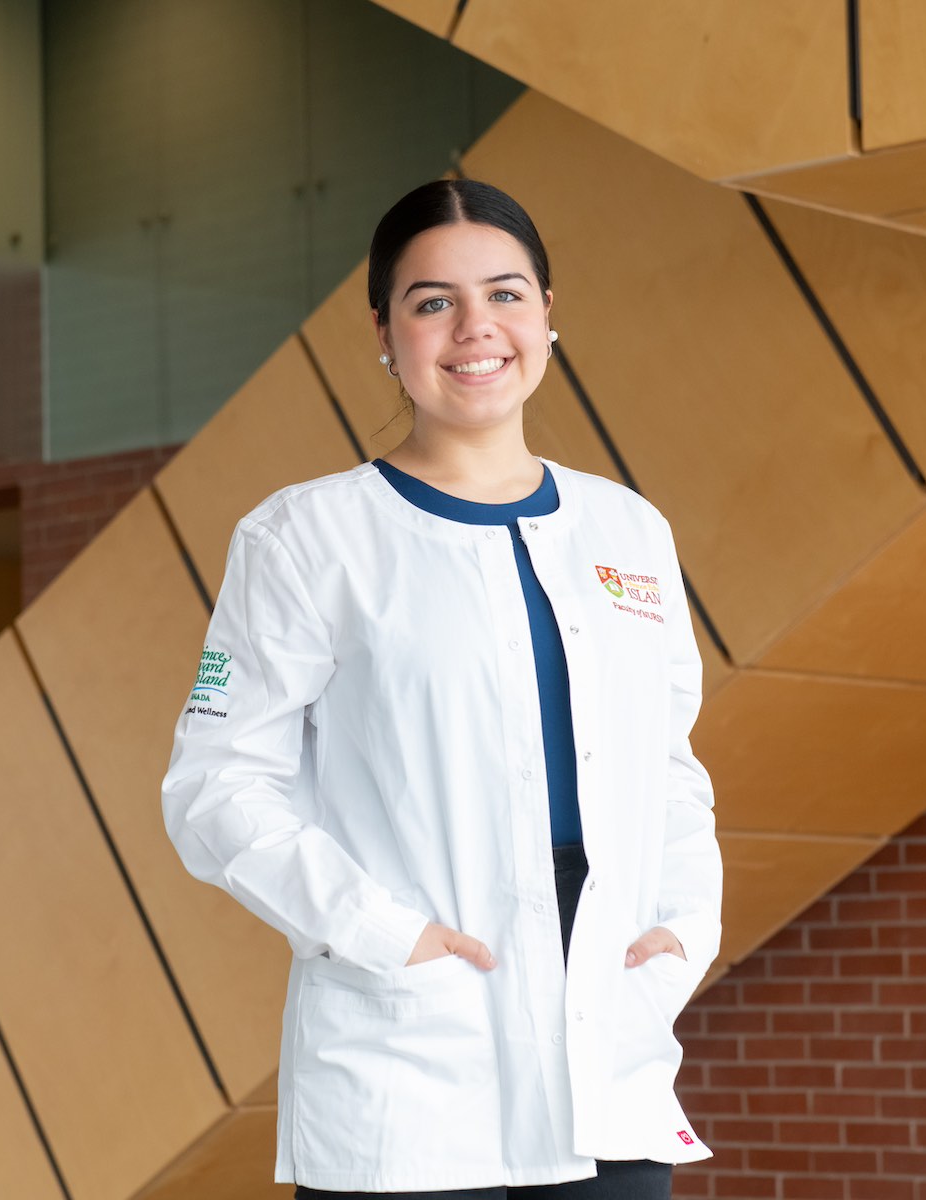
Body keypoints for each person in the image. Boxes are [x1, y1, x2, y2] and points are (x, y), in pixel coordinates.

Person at [160, 178, 723, 1198]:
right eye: (433, 302)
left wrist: (684, 930)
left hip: (608, 1034)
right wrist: (386, 936)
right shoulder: (306, 538)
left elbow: (672, 771)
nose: (477, 329)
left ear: (549, 312)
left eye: (506, 295)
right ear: (384, 331)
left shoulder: (628, 531)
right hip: (411, 1052)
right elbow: (215, 788)